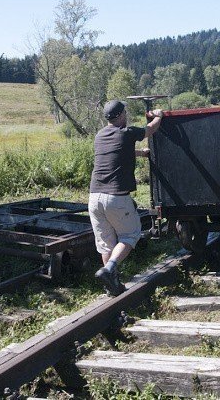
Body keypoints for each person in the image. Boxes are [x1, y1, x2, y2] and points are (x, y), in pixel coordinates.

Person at [89, 99, 164, 296]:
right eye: (125, 114)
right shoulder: (127, 132)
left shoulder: (100, 136)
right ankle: (110, 268)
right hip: (115, 197)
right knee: (130, 234)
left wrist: (140, 153)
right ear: (121, 115)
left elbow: (117, 151)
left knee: (106, 243)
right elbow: (149, 130)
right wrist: (158, 116)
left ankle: (111, 285)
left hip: (94, 198)